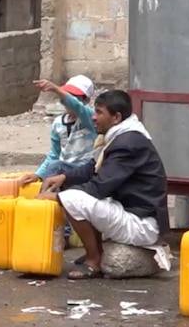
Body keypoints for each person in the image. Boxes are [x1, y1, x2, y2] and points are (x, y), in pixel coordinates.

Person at [37, 90, 170, 280]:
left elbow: (100, 187)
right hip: (132, 212)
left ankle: (94, 260)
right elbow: (94, 168)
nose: (93, 117)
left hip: (142, 224)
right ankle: (96, 251)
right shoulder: (121, 137)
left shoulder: (128, 143)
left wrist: (57, 197)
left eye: (99, 113)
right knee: (73, 191)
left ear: (116, 117)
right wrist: (64, 177)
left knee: (71, 199)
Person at [22, 75, 98, 186]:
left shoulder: (91, 119)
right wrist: (38, 175)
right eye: (68, 94)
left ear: (86, 100)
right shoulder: (58, 123)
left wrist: (56, 89)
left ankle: (46, 197)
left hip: (86, 171)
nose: (68, 102)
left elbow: (78, 107)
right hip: (65, 171)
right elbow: (54, 154)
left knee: (55, 166)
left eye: (74, 96)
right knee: (54, 165)